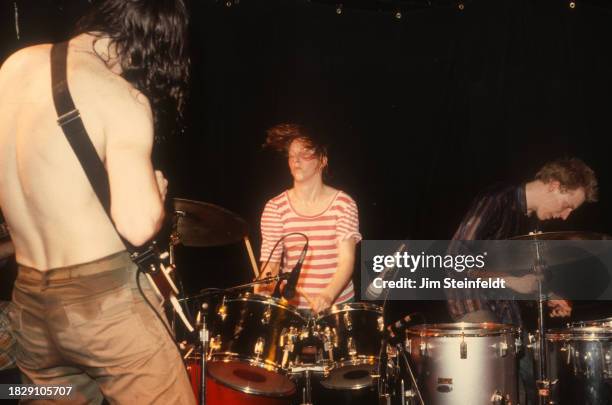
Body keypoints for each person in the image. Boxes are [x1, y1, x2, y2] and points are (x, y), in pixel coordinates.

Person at [0, 1, 195, 403]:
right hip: (103, 307)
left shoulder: (13, 68)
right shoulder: (121, 96)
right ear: (150, 41)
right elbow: (138, 225)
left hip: (30, 305)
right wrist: (154, 196)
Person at [446, 157, 598, 404]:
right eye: (568, 205)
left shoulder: (529, 218)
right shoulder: (496, 200)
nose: (566, 216)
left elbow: (515, 279)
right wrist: (511, 281)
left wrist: (548, 297)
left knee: (532, 383)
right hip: (474, 307)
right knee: (507, 390)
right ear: (553, 185)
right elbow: (454, 259)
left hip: (507, 313)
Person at [257, 123, 362, 313]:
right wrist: (264, 286)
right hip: (293, 310)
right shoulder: (275, 207)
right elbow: (271, 264)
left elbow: (347, 260)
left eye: (305, 154)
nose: (296, 160)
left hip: (337, 308)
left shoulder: (344, 204)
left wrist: (328, 295)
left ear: (322, 160)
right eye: (292, 155)